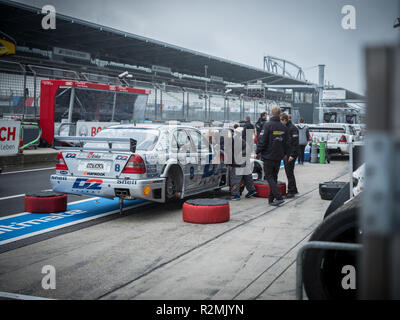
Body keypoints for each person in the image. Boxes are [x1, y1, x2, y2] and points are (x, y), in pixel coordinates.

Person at [255, 106, 289, 206]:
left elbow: (262, 141)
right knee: (274, 177)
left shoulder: (267, 125)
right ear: (279, 115)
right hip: (279, 156)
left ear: (271, 114)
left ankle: (278, 197)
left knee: (269, 177)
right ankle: (271, 199)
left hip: (268, 155)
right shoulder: (284, 127)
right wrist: (286, 154)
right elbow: (287, 143)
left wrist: (257, 151)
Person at [230, 124, 257, 201]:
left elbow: (231, 154)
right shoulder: (241, 140)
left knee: (236, 178)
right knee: (247, 176)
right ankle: (252, 190)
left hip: (239, 161)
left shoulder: (234, 140)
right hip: (245, 160)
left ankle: (235, 195)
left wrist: (231, 164)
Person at [281, 113, 299, 198]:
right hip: (287, 153)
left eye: (281, 120)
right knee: (289, 171)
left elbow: (295, 143)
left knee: (289, 172)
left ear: (285, 120)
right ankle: (294, 189)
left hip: (291, 154)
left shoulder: (293, 128)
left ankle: (291, 191)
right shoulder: (285, 128)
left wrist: (292, 155)